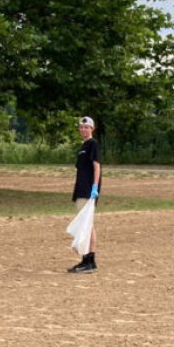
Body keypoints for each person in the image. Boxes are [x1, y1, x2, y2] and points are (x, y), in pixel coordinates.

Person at [68, 116, 101, 274]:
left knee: (87, 226)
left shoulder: (92, 144)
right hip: (80, 190)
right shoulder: (83, 146)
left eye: (86, 127)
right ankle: (89, 260)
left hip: (88, 191)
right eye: (81, 127)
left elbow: (97, 166)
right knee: (87, 225)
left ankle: (87, 259)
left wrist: (95, 186)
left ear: (92, 129)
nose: (83, 130)